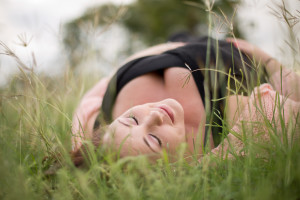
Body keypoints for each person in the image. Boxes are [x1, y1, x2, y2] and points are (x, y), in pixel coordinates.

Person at [71, 35, 300, 166]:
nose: (154, 115)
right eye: (153, 139)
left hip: (172, 42)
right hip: (237, 49)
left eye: (131, 119)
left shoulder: (94, 130)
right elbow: (289, 108)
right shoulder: (227, 133)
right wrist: (267, 60)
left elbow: (98, 89)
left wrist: (170, 46)